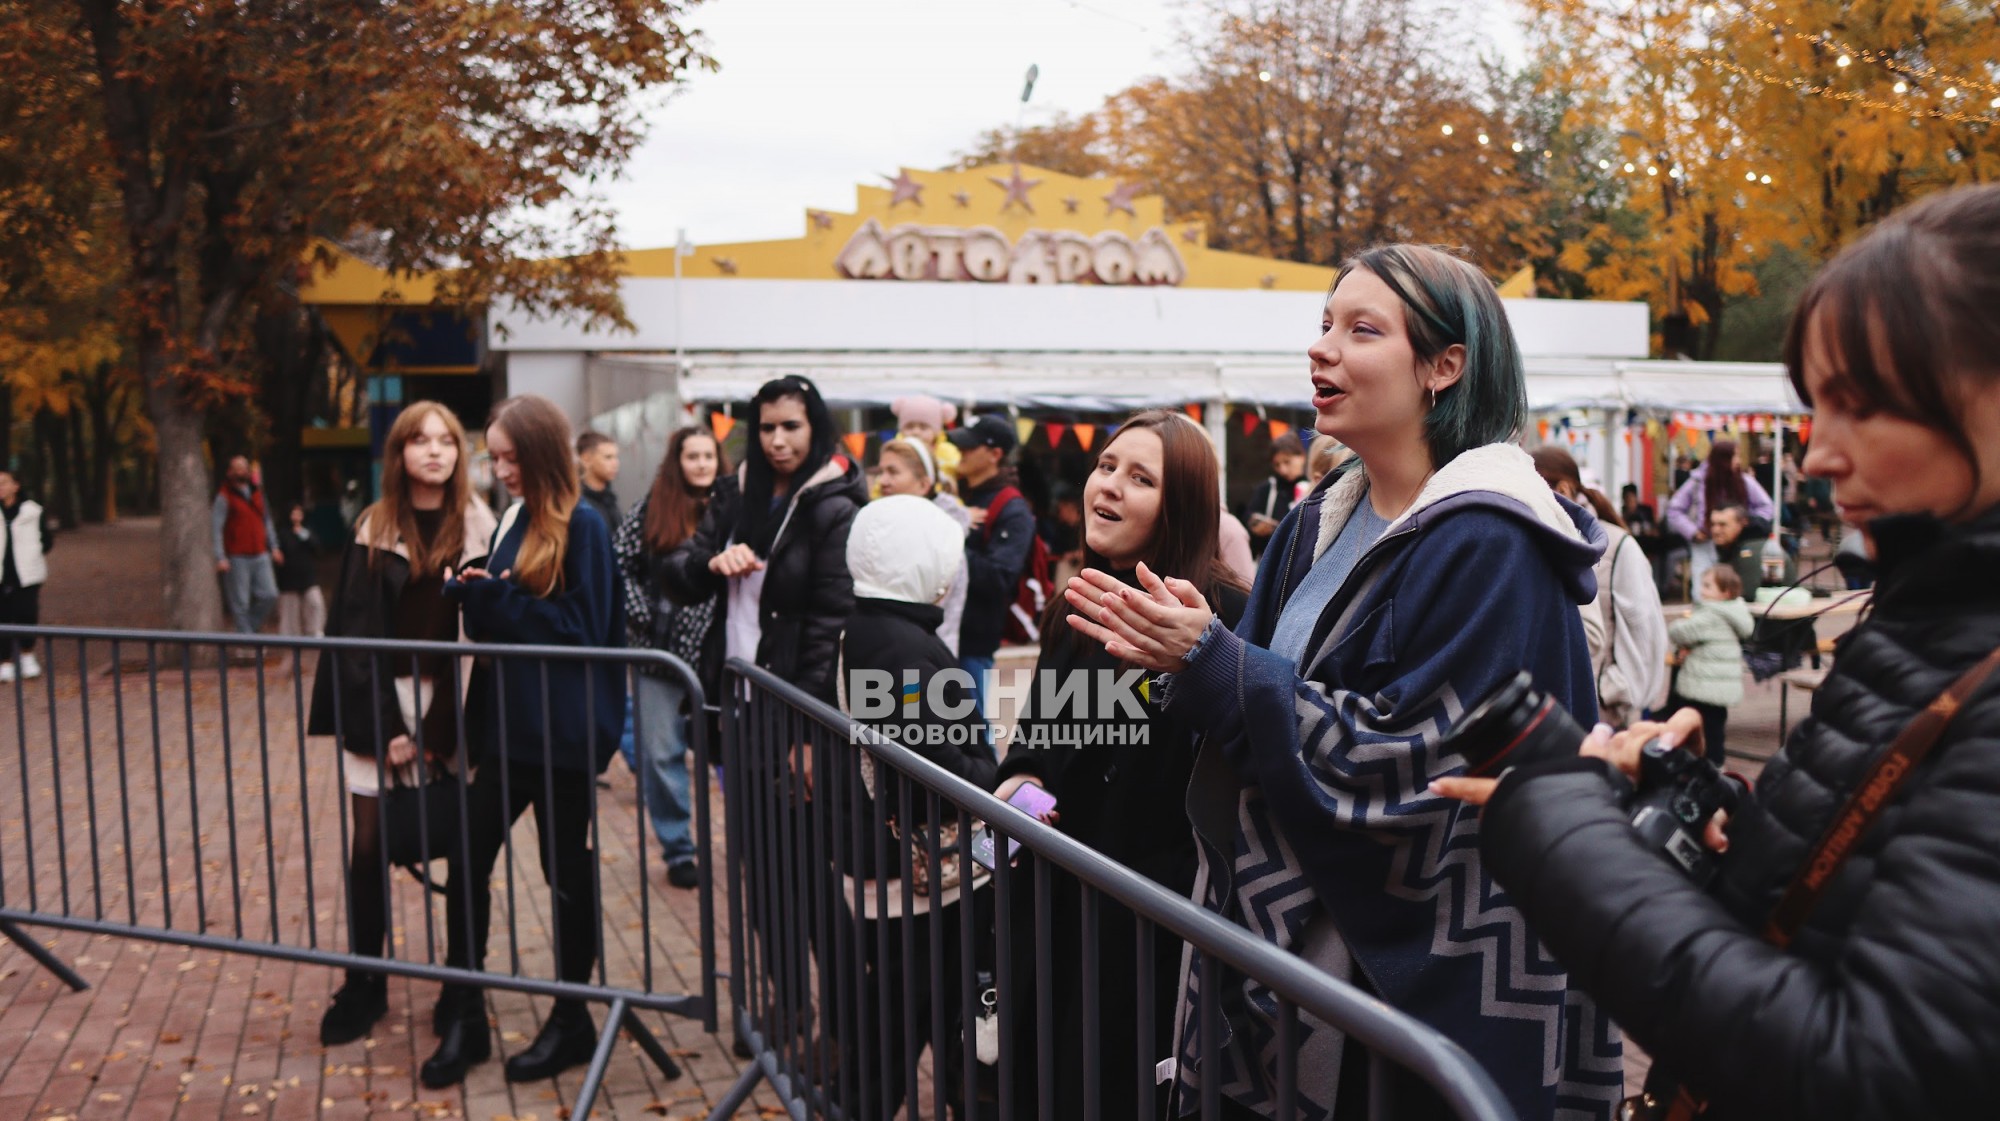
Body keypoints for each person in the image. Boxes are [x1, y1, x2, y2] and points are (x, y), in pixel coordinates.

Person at [1440, 181, 2000, 1121]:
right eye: (1816, 406)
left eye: (1858, 403)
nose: (1816, 453)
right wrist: (1722, 819)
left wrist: (1564, 832)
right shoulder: (1928, 612)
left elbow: (1867, 1072)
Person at [1066, 245, 1619, 1118]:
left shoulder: (1492, 543)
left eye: (1362, 329)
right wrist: (1188, 653)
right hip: (1284, 969)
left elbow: (1423, 772)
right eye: (1325, 323)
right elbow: (1254, 690)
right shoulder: (1318, 519)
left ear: (1445, 366)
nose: (1323, 348)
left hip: (1407, 1003)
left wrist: (1212, 662)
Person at [991, 409, 1248, 1118]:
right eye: (1106, 466)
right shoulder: (1080, 599)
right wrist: (1021, 778)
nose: (1110, 486)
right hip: (1058, 913)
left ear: (1182, 504)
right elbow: (1040, 735)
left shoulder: (1223, 615)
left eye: (1141, 477)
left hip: (1152, 938)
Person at [424, 395, 625, 1089]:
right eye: (495, 456)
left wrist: (490, 600)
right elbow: (517, 620)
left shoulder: (586, 524)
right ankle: (464, 1007)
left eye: (511, 455)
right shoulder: (515, 516)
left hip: (561, 731)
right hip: (508, 728)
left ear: (541, 451)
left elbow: (578, 630)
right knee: (469, 850)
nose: (501, 468)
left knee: (564, 871)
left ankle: (573, 1018)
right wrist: (483, 589)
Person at [306, 402, 498, 1046]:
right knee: (367, 850)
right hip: (378, 700)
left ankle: (462, 988)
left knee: (468, 849)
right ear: (400, 453)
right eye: (420, 440)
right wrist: (386, 727)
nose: (436, 451)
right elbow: (355, 636)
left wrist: (440, 731)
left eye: (447, 440)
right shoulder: (374, 525)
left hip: (456, 702)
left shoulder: (481, 525)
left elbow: (478, 639)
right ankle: (365, 983)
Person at [833, 494, 991, 1119]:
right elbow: (944, 762)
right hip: (919, 872)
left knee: (899, 1007)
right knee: (907, 1011)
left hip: (893, 856)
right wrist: (994, 768)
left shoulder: (872, 627)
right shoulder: (907, 649)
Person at [669, 375, 865, 708]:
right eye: (766, 428)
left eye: (791, 426)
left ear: (815, 428)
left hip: (788, 700)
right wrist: (711, 563)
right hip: (729, 686)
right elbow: (675, 571)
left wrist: (809, 726)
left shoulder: (836, 508)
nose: (777, 441)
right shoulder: (734, 493)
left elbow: (830, 629)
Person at [614, 426, 728, 890]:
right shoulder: (652, 507)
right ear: (676, 461)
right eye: (692, 455)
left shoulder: (733, 507)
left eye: (708, 455)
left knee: (730, 755)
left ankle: (748, 843)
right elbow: (619, 561)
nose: (701, 463)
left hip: (718, 658)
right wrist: (637, 615)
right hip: (657, 655)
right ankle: (679, 847)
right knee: (661, 756)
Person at [1534, 448, 1670, 726]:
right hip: (1551, 714)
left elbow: (1645, 629)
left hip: (1602, 716)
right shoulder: (1534, 538)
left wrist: (1613, 691)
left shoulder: (1617, 545)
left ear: (1563, 488)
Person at [948, 415, 1032, 719]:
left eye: (970, 447)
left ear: (995, 455)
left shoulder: (1012, 508)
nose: (961, 452)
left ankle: (988, 769)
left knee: (971, 728)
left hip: (974, 637)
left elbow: (999, 577)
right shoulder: (958, 495)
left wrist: (949, 536)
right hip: (941, 631)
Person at [875, 436, 971, 655]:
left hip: (925, 658)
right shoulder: (882, 530)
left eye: (893, 472)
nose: (883, 481)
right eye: (881, 472)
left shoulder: (943, 537)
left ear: (923, 484)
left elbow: (943, 612)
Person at [1664, 564, 1750, 762]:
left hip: (1702, 687)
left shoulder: (1711, 615)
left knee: (1698, 733)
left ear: (1724, 593)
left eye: (1708, 586)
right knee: (1715, 731)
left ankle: (1706, 769)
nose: (1702, 590)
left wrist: (1681, 631)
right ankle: (1716, 767)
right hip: (1719, 688)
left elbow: (1679, 631)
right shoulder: (1734, 612)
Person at [1666, 438, 1774, 579]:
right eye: (1735, 456)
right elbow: (1674, 509)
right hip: (1705, 543)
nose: (1738, 461)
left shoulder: (1744, 481)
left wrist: (1743, 524)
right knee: (1704, 586)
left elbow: (1766, 507)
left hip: (1737, 544)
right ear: (1723, 459)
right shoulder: (1698, 481)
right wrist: (1692, 532)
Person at [212, 455, 284, 635]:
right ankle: (247, 642)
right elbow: (216, 528)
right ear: (230, 472)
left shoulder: (257, 493)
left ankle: (246, 632)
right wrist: (220, 556)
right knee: (240, 602)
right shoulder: (224, 496)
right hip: (237, 555)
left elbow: (266, 521)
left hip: (260, 553)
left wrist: (274, 546)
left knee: (270, 595)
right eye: (237, 468)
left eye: (244, 467)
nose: (241, 471)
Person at [0, 469, 54, 682]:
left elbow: (46, 541)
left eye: (4, 483)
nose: (1, 488)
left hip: (26, 573)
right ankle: (4, 661)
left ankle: (27, 655)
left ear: (16, 486)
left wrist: (31, 553)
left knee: (26, 614)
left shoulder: (32, 512)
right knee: (2, 617)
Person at [1239, 432, 1305, 558]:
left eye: (1287, 462)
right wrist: (1255, 526)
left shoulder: (1313, 487)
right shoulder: (1267, 489)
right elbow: (1249, 517)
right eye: (1277, 465)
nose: (1283, 470)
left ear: (1302, 457)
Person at [275, 503, 326, 637]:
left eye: (299, 513)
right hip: (289, 577)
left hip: (307, 575)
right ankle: (290, 637)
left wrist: (305, 536)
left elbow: (318, 549)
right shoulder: (282, 533)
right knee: (289, 609)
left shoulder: (307, 531)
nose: (297, 517)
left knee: (314, 603)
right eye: (294, 513)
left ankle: (315, 631)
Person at [891, 394, 961, 487]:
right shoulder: (893, 452)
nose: (916, 432)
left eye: (923, 427)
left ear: (936, 431)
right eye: (909, 426)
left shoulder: (949, 453)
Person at [1704, 504, 1769, 596]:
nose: (1715, 530)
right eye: (1713, 524)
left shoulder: (1750, 550)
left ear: (1743, 523)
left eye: (1723, 525)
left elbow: (1748, 594)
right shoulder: (1729, 546)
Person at [576, 430, 621, 529]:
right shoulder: (578, 503)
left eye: (616, 457)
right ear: (586, 459)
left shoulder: (610, 499)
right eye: (608, 457)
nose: (615, 463)